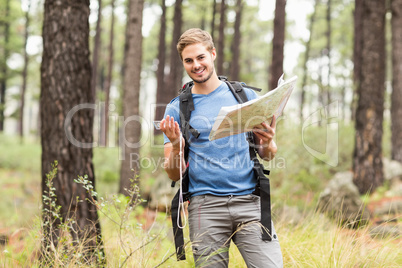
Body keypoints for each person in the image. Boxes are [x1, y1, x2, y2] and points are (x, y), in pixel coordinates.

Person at [160, 28, 283, 267]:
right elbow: (173, 173)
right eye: (189, 60)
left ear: (213, 54)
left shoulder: (244, 96)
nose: (196, 65)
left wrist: (268, 142)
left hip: (250, 203)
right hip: (204, 209)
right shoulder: (177, 108)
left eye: (201, 57)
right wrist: (176, 145)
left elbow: (267, 155)